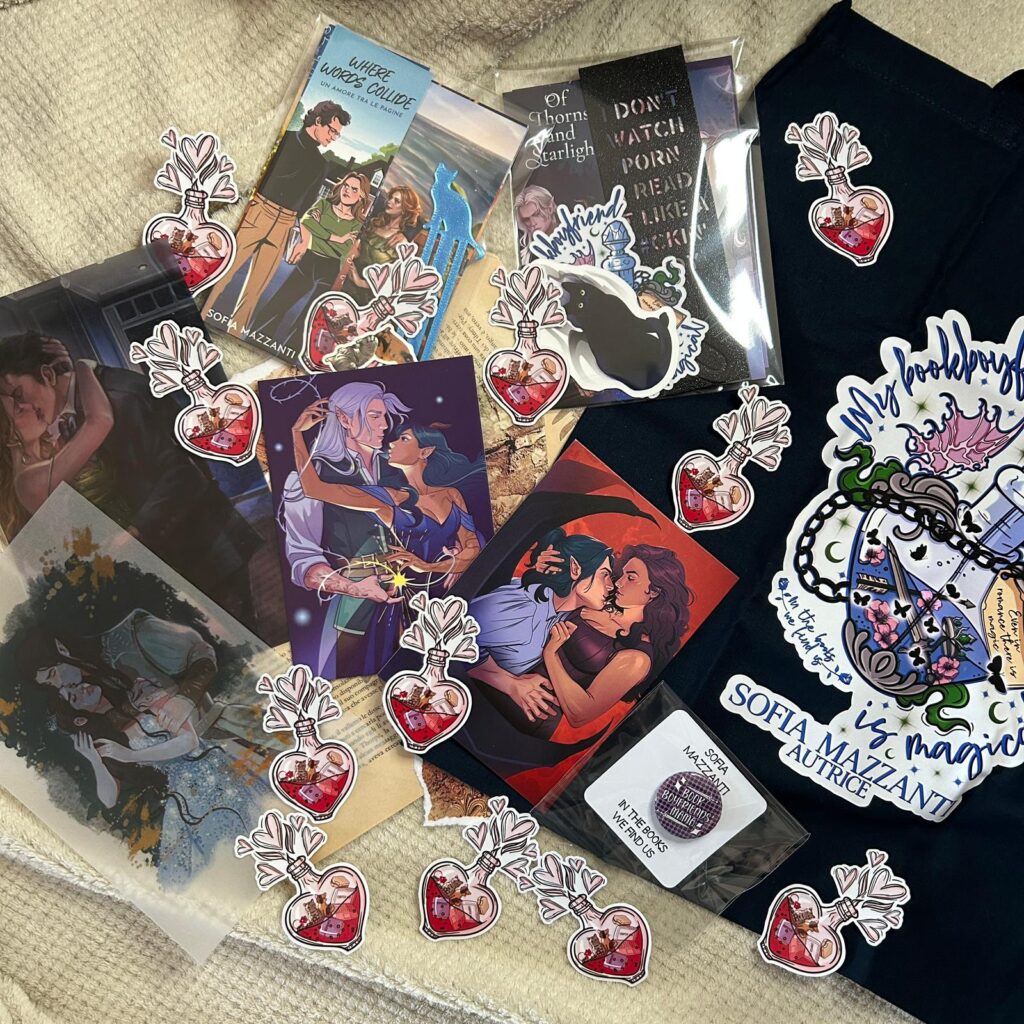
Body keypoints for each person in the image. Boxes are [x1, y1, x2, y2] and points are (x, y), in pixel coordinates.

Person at [0, 333, 261, 626]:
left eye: (18, 395)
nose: (20, 408)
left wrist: (134, 532)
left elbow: (184, 474)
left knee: (235, 630)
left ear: (47, 375)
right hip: (157, 561)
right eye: (11, 407)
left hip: (201, 548)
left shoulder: (119, 398)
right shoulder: (71, 419)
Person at [26, 625, 271, 888]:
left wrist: (132, 755)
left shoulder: (143, 693)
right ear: (81, 714)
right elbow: (108, 799)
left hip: (211, 771)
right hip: (183, 796)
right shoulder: (114, 736)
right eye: (73, 698)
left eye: (76, 684)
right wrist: (95, 760)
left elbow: (189, 740)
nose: (78, 689)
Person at [292, 406, 487, 672]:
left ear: (425, 452)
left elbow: (473, 548)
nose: (392, 443)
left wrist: (432, 566)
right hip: (404, 599)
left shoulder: (452, 495)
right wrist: (297, 434)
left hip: (447, 598)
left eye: (404, 439)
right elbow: (313, 488)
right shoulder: (388, 498)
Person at [280, 380, 411, 678]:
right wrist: (355, 588)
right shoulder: (311, 476)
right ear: (343, 418)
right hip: (352, 607)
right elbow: (304, 561)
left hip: (410, 594)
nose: (384, 425)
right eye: (374, 416)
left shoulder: (398, 467)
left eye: (384, 416)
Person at [201, 99, 351, 337]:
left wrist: (301, 237)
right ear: (318, 121)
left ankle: (234, 333)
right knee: (225, 272)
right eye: (332, 130)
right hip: (259, 210)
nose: (333, 137)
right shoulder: (284, 139)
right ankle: (198, 318)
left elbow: (307, 204)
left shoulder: (321, 164)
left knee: (256, 289)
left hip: (285, 223)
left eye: (337, 134)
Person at [465, 528, 616, 722]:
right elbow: (447, 631)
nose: (611, 585)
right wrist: (509, 683)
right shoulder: (523, 608)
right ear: (575, 568)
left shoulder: (565, 610)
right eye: (604, 575)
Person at [254, 173, 371, 349]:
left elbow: (342, 249)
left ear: (361, 196)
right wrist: (336, 238)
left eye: (354, 189)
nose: (347, 191)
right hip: (308, 261)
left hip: (329, 269)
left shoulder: (357, 224)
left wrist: (317, 234)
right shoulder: (323, 205)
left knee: (308, 317)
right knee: (280, 302)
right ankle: (258, 336)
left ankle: (293, 349)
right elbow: (306, 222)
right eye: (346, 186)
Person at [344, 185, 426, 304]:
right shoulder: (375, 223)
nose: (390, 202)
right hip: (346, 280)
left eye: (396, 201)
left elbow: (395, 281)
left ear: (405, 209)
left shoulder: (403, 242)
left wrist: (360, 282)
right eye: (391, 198)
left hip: (367, 296)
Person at [514, 184, 558, 259]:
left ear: (550, 208)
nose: (532, 223)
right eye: (526, 219)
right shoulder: (528, 254)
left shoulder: (575, 225)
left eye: (536, 214)